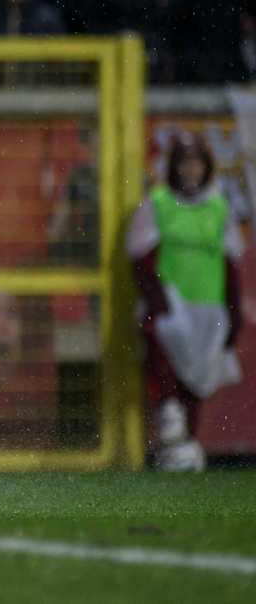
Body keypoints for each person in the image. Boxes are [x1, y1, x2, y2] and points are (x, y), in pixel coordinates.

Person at [126, 134, 244, 471]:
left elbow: (229, 262)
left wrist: (233, 311)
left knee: (199, 375)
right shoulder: (158, 202)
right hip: (171, 302)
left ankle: (187, 446)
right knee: (165, 361)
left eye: (196, 163)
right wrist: (158, 299)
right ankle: (170, 418)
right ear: (172, 167)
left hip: (207, 303)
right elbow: (141, 257)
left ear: (206, 167)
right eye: (183, 162)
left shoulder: (218, 206)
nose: (190, 170)